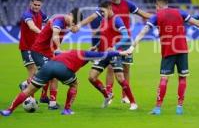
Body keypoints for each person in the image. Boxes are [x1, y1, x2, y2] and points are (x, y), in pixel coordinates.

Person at [125, 0, 199, 115]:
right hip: (182, 50)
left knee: (164, 78)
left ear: (157, 5)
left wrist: (132, 46)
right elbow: (198, 23)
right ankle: (179, 107)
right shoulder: (180, 12)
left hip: (168, 51)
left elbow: (144, 31)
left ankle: (158, 108)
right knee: (182, 78)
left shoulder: (157, 16)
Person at [73, 0, 151, 104]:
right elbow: (92, 17)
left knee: (126, 68)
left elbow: (142, 14)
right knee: (110, 67)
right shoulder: (107, 7)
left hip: (124, 40)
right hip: (110, 41)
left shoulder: (128, 4)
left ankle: (125, 95)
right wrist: (79, 25)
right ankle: (109, 92)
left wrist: (159, 17)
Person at [0, 49, 129, 116]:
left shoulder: (73, 51)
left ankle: (9, 110)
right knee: (74, 84)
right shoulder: (86, 54)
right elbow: (105, 54)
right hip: (63, 69)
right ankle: (67, 110)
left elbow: (59, 53)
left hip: (48, 66)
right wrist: (121, 52)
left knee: (29, 90)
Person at [88, 1, 138, 110]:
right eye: (100, 11)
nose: (101, 13)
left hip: (114, 52)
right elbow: (103, 37)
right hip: (104, 53)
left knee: (120, 78)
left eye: (103, 11)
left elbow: (125, 36)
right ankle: (107, 95)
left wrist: (115, 46)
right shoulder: (103, 21)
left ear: (110, 8)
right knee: (91, 77)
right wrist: (96, 46)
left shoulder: (117, 19)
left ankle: (133, 102)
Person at [30, 8, 82, 109]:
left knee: (53, 74)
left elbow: (74, 30)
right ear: (69, 14)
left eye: (74, 22)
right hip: (39, 51)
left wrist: (76, 27)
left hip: (49, 52)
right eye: (73, 21)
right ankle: (27, 85)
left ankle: (48, 99)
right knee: (50, 74)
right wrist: (58, 48)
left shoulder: (68, 23)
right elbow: (55, 35)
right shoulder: (58, 20)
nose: (73, 24)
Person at [18, 0, 48, 93]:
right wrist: (43, 33)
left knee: (45, 70)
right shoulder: (27, 14)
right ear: (31, 3)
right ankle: (29, 98)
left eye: (38, 5)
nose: (36, 7)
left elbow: (49, 22)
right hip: (26, 48)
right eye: (35, 4)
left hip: (36, 48)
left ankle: (25, 85)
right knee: (33, 70)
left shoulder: (40, 13)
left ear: (41, 5)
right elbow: (32, 26)